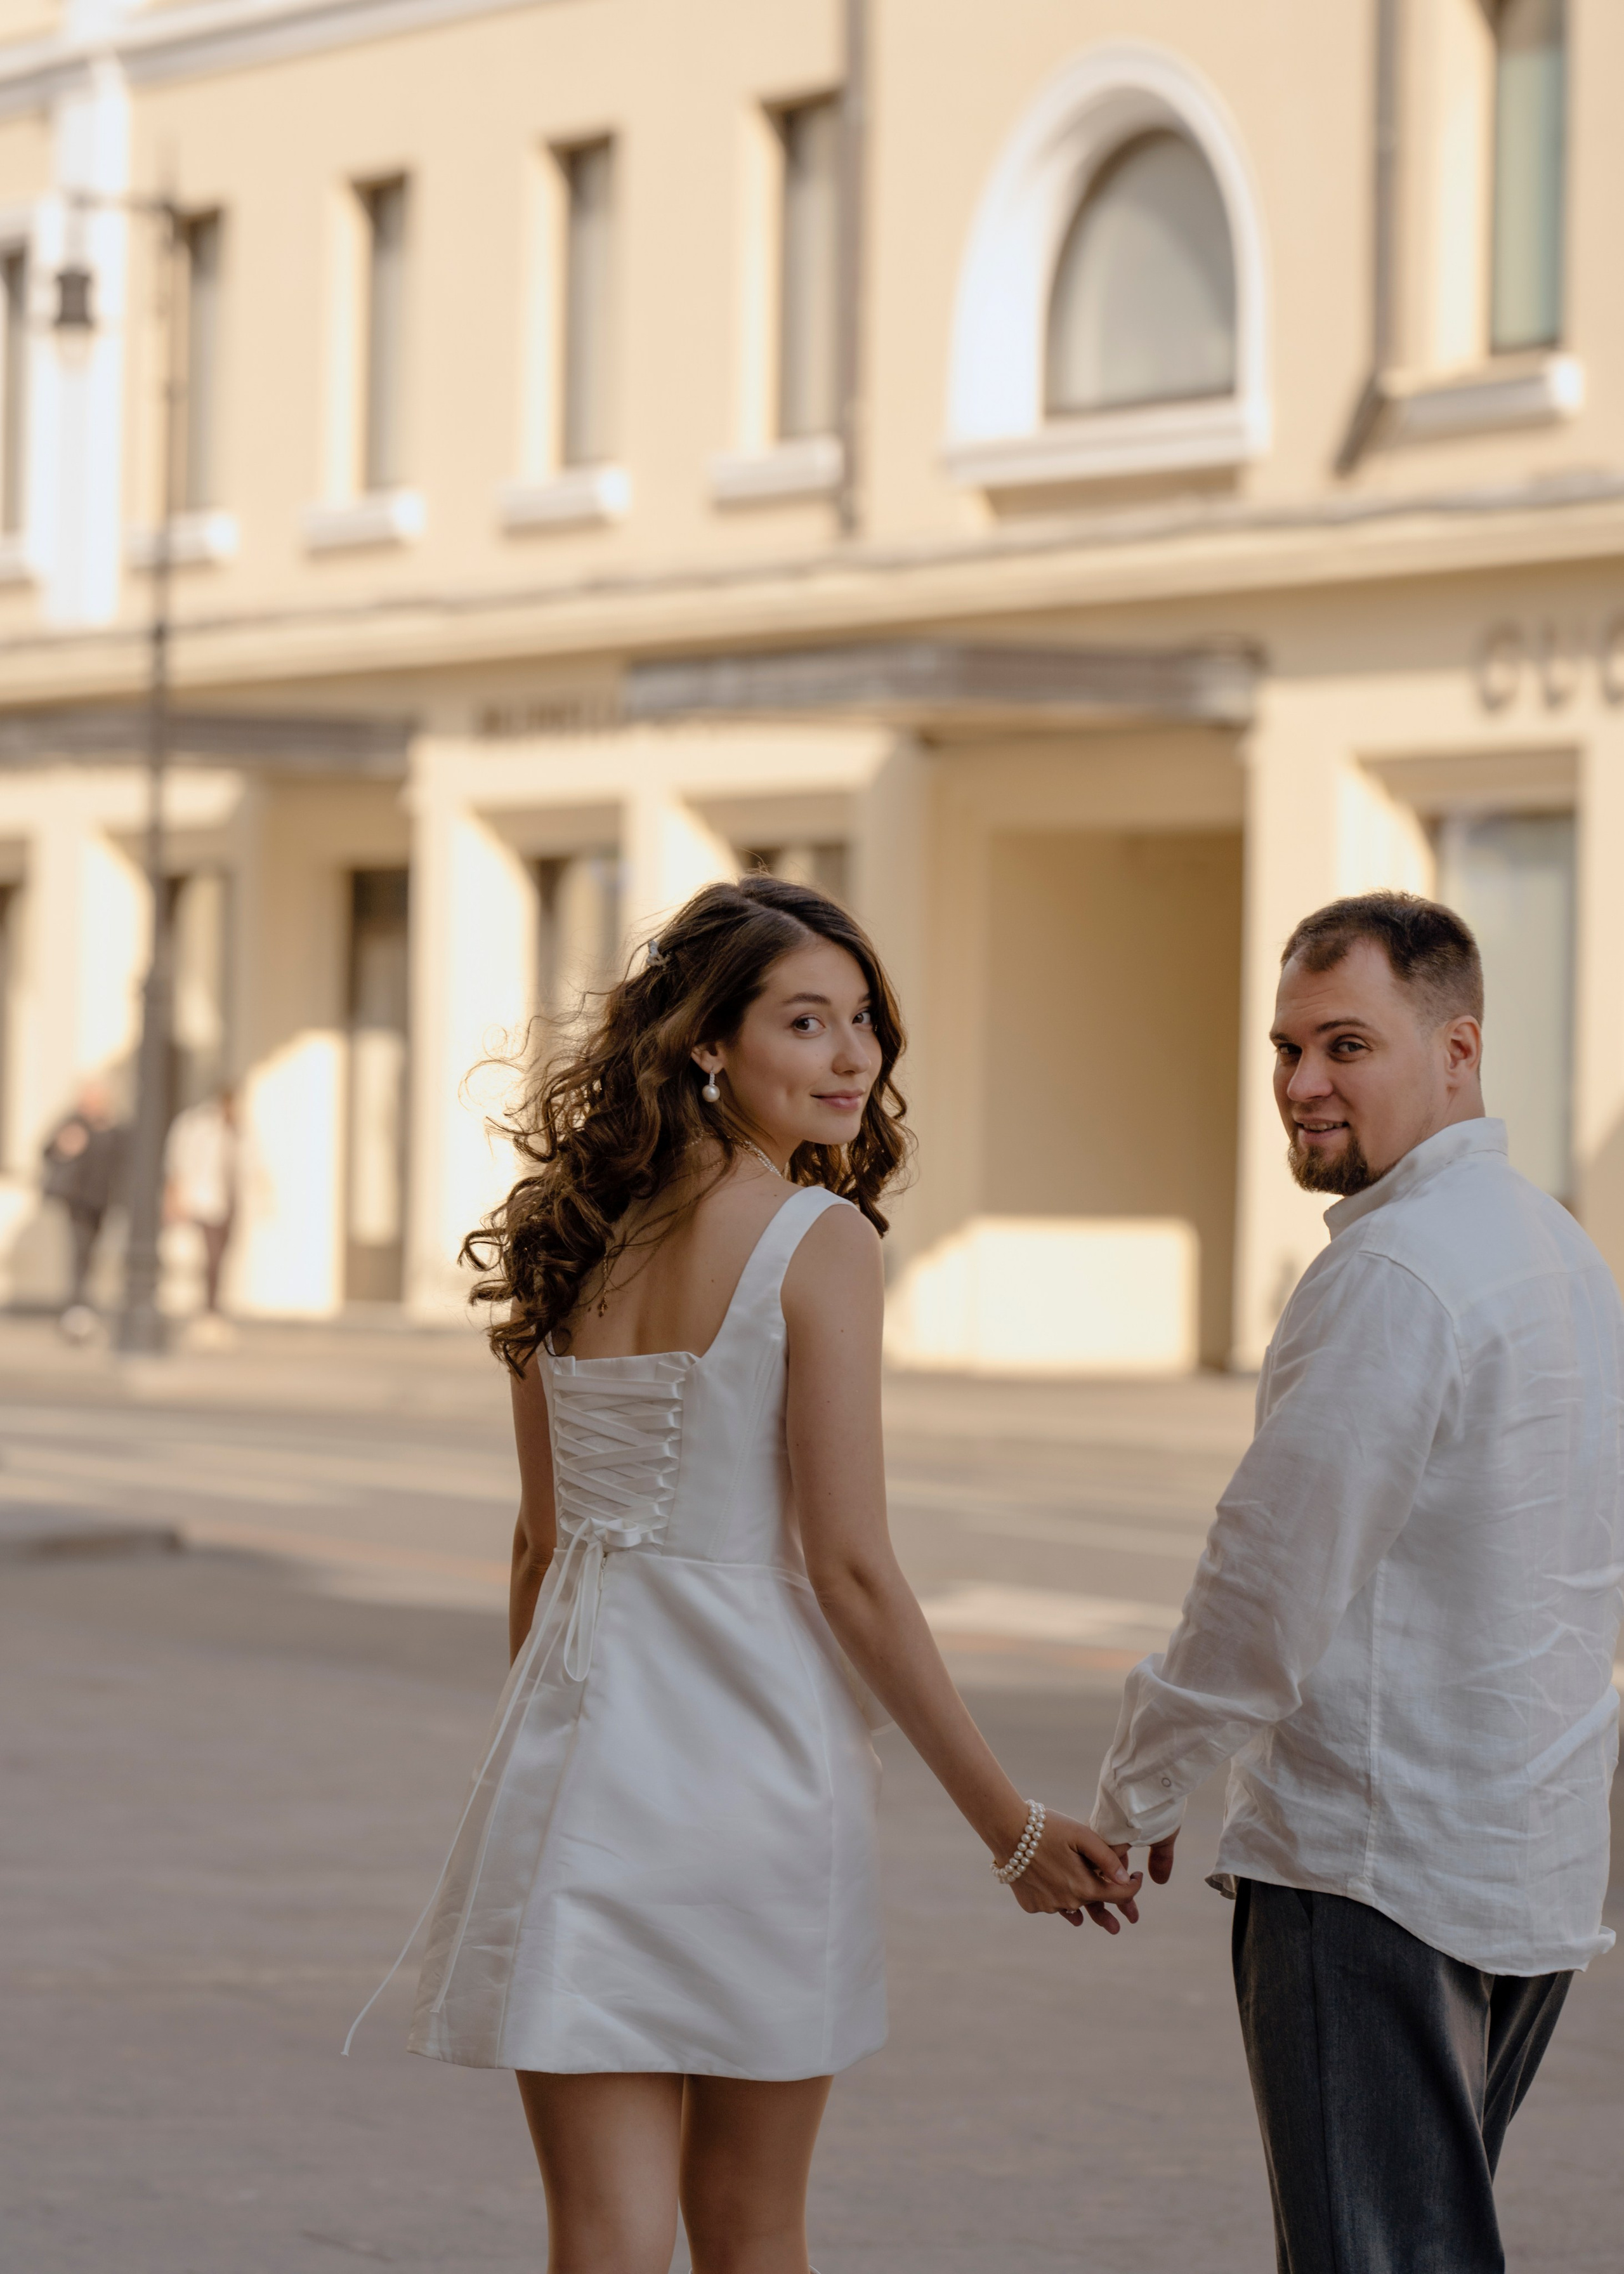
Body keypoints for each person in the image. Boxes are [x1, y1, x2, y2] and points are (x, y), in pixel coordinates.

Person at [355, 876, 1141, 2274]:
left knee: (596, 2235)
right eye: (806, 1021)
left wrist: (540, 1761)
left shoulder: (566, 1233)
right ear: (708, 1043)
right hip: (754, 1776)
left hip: (578, 1766)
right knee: (752, 2228)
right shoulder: (814, 1240)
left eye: (863, 1023)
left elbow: (540, 1547)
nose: (852, 1058)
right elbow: (847, 1568)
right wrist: (1007, 1829)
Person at [1091, 890, 1624, 2274]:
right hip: (1524, 1863)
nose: (1299, 1084)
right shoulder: (1556, 1249)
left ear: (1456, 1050)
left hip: (1376, 1868)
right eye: (1282, 1048)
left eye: (1343, 1044)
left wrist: (1143, 1783)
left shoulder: (1397, 1267)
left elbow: (1267, 1578)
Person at [41, 1078, 128, 1339]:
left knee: (94, 1255)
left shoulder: (114, 1128)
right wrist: (64, 1145)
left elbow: (123, 1162)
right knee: (80, 1253)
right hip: (78, 1201)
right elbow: (47, 1151)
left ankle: (83, 1306)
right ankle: (77, 1309)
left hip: (103, 1201)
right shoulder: (72, 1124)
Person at [164, 1086, 239, 1320]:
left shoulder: (237, 1131)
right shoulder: (197, 1126)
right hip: (203, 1201)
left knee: (220, 1257)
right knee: (209, 1257)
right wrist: (176, 1197)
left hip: (227, 1203)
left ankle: (213, 1306)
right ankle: (208, 1309)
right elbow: (177, 1162)